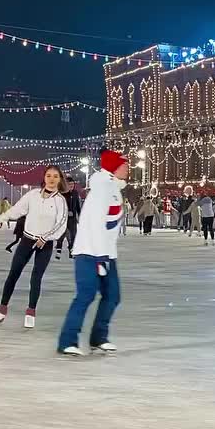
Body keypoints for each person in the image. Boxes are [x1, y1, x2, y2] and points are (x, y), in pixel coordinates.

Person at [58, 149, 129, 357]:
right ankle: (67, 341)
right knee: (86, 295)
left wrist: (106, 254)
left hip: (106, 253)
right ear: (113, 167)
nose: (127, 167)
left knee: (112, 296)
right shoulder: (103, 188)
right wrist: (100, 257)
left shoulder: (112, 187)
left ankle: (99, 338)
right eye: (123, 164)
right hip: (91, 252)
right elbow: (96, 224)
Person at [0, 167, 68, 329]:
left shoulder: (60, 201)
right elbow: (17, 209)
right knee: (13, 274)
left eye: (55, 176)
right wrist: (0, 220)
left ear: (60, 179)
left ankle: (31, 311)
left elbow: (61, 224)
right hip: (27, 240)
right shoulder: (32, 195)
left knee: (36, 277)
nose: (51, 179)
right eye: (48, 175)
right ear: (44, 178)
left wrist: (45, 238)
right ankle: (2, 309)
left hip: (45, 244)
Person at [55, 176, 82, 259]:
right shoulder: (62, 193)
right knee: (61, 235)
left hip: (72, 219)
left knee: (73, 235)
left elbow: (77, 206)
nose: (71, 186)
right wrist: (66, 212)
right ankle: (58, 251)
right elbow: (58, 206)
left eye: (72, 184)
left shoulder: (75, 193)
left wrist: (80, 216)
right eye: (69, 184)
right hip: (63, 218)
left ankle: (71, 251)